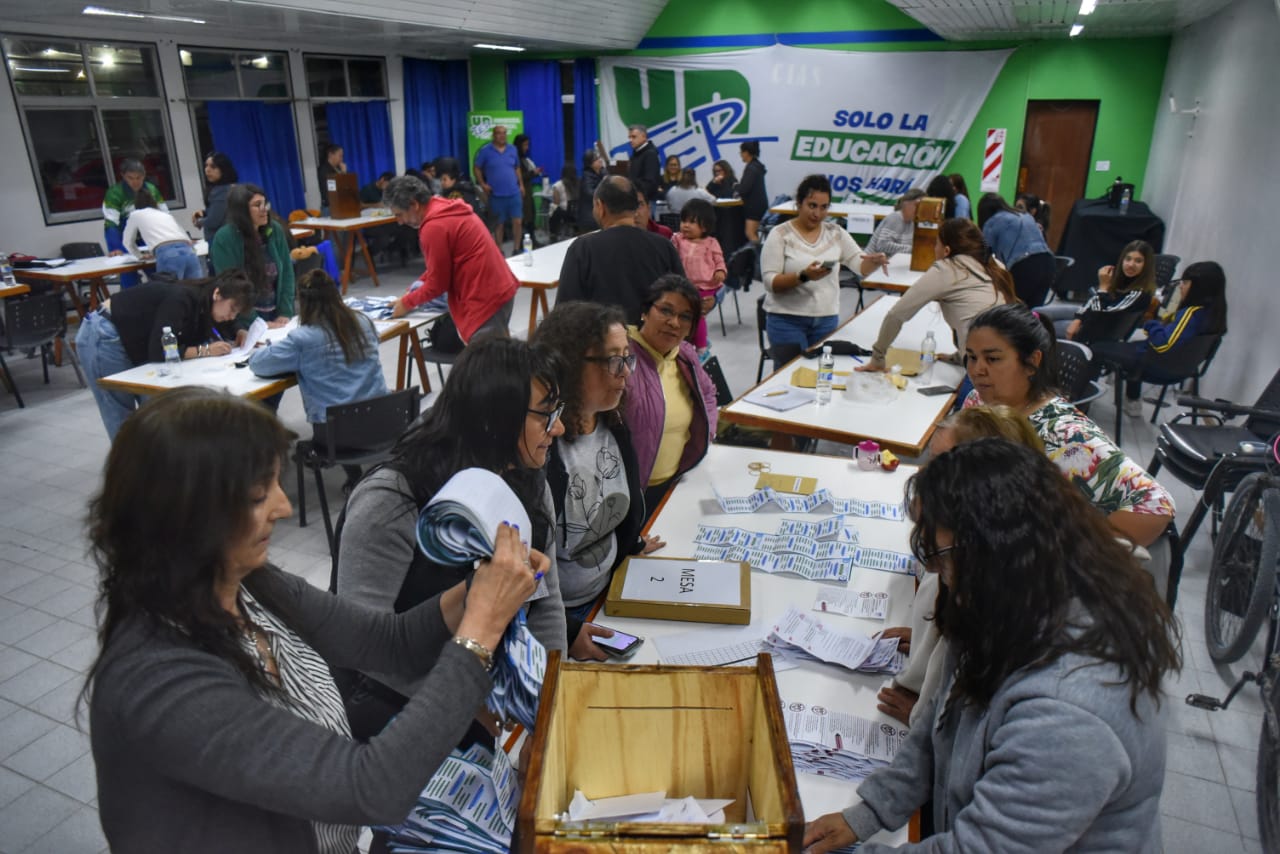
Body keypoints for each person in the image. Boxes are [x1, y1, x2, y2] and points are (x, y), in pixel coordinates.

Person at [86, 386, 543, 853]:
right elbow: (372, 788)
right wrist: (480, 631)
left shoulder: (246, 584)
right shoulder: (158, 679)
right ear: (189, 516)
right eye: (259, 494)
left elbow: (389, 641)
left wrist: (476, 591)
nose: (283, 507)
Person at [803, 438, 1180, 853]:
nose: (938, 574)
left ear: (993, 552)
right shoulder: (1008, 599)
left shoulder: (1067, 715)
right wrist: (868, 814)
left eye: (941, 557)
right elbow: (940, 720)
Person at [336, 337, 567, 738]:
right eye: (545, 415)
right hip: (396, 711)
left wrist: (548, 703)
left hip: (483, 701)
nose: (558, 428)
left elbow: (545, 604)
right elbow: (365, 646)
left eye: (557, 412)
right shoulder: (393, 499)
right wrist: (467, 706)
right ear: (494, 419)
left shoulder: (528, 480)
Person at [877, 404, 1045, 728]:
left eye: (942, 464)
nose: (925, 475)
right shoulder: (970, 550)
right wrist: (926, 639)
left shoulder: (1000, 601)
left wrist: (924, 720)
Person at [962, 303, 1176, 552]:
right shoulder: (977, 401)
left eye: (993, 359)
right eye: (972, 357)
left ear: (1031, 362)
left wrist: (1069, 553)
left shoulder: (1063, 433)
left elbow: (1156, 503)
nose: (977, 370)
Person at [532, 302, 665, 661]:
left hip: (608, 594)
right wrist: (567, 630)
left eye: (627, 358)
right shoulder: (540, 447)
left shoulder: (613, 423)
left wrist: (631, 544)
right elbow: (523, 573)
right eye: (612, 361)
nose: (626, 372)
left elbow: (617, 505)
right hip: (557, 619)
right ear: (570, 365)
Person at [75, 272, 252, 440]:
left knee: (154, 411)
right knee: (121, 415)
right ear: (217, 294)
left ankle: (154, 458)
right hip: (105, 335)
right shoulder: (182, 298)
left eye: (236, 314)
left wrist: (239, 331)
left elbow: (224, 320)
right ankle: (128, 460)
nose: (231, 317)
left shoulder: (206, 300)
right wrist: (205, 350)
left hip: (135, 338)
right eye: (232, 310)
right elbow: (160, 351)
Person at [856, 218, 1016, 373]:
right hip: (1014, 358)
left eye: (936, 244)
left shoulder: (947, 268)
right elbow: (972, 315)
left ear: (946, 251)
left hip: (987, 369)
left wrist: (877, 358)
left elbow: (896, 315)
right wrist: (960, 356)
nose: (934, 249)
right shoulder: (995, 265)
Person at [760, 174, 888, 352]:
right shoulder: (780, 234)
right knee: (792, 369)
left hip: (826, 320)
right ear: (799, 203)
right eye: (812, 206)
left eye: (824, 207)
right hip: (786, 321)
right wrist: (803, 276)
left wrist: (874, 262)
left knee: (822, 369)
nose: (817, 214)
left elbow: (860, 266)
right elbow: (770, 282)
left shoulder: (836, 233)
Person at [248, 268, 387, 430]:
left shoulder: (302, 339)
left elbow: (258, 364)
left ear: (303, 303)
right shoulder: (363, 321)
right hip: (381, 420)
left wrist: (270, 347)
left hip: (337, 433)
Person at [625, 276, 719, 511]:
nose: (674, 323)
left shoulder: (685, 355)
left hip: (677, 482)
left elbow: (708, 394)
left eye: (685, 317)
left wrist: (707, 433)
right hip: (631, 493)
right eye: (666, 311)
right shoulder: (621, 356)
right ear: (645, 312)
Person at [384, 176, 517, 341]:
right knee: (497, 352)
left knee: (486, 356)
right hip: (499, 289)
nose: (399, 222)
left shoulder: (433, 227)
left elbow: (437, 284)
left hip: (485, 299)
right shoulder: (443, 208)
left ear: (414, 205)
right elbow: (439, 266)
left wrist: (407, 303)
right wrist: (412, 291)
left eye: (399, 215)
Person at [1091, 260, 1228, 417]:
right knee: (1135, 346)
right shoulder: (1215, 315)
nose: (1181, 287)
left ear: (1199, 288)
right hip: (1182, 368)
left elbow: (1163, 344)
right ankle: (1132, 401)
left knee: (1095, 348)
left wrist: (1151, 324)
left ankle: (1082, 399)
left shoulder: (1191, 313)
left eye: (1185, 283)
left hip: (1159, 367)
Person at [558, 175, 685, 322]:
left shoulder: (582, 249)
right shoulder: (664, 246)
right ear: (635, 208)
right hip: (652, 335)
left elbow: (565, 312)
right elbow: (684, 298)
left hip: (601, 334)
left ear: (600, 207)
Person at [211, 183, 295, 327]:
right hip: (244, 319)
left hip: (277, 314)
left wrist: (285, 312)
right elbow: (231, 287)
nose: (264, 209)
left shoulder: (275, 230)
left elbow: (287, 272)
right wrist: (258, 323)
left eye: (265, 204)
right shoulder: (225, 238)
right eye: (257, 205)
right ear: (241, 210)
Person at [1064, 239, 1156, 343]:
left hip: (1096, 337)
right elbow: (1091, 301)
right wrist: (1078, 319)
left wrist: (1103, 289)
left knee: (1050, 326)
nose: (1131, 264)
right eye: (1128, 259)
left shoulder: (1140, 294)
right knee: (1051, 313)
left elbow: (1101, 316)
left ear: (1146, 265)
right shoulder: (1116, 280)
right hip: (1089, 322)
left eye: (1138, 261)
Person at [977, 192, 1056, 307]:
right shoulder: (1025, 215)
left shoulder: (992, 222)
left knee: (1012, 309)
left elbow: (983, 254)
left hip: (1025, 266)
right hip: (1048, 263)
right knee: (1034, 312)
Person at [671, 198, 726, 358]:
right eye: (683, 221)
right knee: (685, 316)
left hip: (706, 286)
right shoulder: (678, 240)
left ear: (705, 227)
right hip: (684, 286)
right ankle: (687, 344)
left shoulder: (711, 243)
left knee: (698, 315)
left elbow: (719, 260)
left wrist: (720, 271)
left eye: (692, 222)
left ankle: (701, 347)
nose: (686, 225)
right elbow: (670, 253)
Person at [103, 158, 167, 289]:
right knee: (129, 274)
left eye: (138, 178)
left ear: (144, 176)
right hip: (123, 237)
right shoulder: (114, 193)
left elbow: (165, 216)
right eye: (130, 178)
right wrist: (115, 248)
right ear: (123, 176)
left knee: (158, 273)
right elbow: (111, 224)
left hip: (146, 235)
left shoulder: (152, 190)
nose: (135, 182)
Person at [122, 190, 202, 281]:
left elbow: (127, 242)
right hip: (188, 251)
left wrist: (140, 255)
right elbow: (186, 238)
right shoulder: (165, 215)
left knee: (168, 289)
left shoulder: (135, 214)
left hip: (167, 252)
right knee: (196, 287)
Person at [473, 124, 524, 252]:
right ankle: (499, 250)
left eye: (504, 133)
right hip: (496, 195)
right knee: (498, 224)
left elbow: (517, 167)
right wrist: (482, 184)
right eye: (499, 133)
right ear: (493, 135)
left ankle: (516, 249)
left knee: (518, 222)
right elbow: (477, 168)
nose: (502, 136)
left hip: (514, 192)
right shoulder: (485, 151)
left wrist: (521, 184)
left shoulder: (512, 149)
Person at [192, 152, 237, 247]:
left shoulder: (222, 191)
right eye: (206, 166)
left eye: (213, 166)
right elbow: (220, 211)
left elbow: (213, 221)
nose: (207, 170)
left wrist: (198, 221)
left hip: (220, 241)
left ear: (223, 169)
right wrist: (204, 213)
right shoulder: (227, 188)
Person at [865, 188, 926, 257]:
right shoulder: (895, 217)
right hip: (872, 261)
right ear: (906, 204)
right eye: (917, 205)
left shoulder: (913, 222)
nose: (921, 209)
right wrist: (913, 249)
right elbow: (882, 245)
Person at [736, 141, 768, 243]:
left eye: (741, 152)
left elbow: (744, 189)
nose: (740, 155)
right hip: (759, 205)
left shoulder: (751, 168)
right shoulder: (758, 166)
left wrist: (736, 186)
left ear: (746, 152)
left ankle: (758, 253)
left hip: (753, 206)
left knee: (750, 233)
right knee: (754, 233)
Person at [514, 133, 544, 244]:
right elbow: (518, 177)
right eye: (525, 145)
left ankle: (532, 239)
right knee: (525, 217)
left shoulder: (524, 158)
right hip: (521, 193)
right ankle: (525, 241)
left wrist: (534, 173)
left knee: (531, 214)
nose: (527, 148)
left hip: (528, 191)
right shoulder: (515, 159)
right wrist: (532, 173)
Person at [625, 124, 660, 201]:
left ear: (644, 136)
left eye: (634, 137)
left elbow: (650, 183)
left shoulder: (650, 155)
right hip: (636, 199)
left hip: (646, 201)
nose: (630, 140)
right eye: (629, 137)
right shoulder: (636, 154)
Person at [577, 148, 606, 233]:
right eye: (596, 159)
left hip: (599, 212)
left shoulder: (602, 172)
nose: (600, 160)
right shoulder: (587, 176)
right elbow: (591, 193)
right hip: (589, 216)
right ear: (590, 164)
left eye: (599, 157)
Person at [549, 164, 578, 240]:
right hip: (576, 212)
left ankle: (553, 233)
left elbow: (556, 202)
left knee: (553, 208)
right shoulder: (577, 183)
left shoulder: (558, 185)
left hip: (564, 212)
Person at [317, 143, 345, 211]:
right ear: (330, 155)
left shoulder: (338, 168)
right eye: (340, 156)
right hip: (330, 207)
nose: (341, 159)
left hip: (340, 204)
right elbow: (330, 190)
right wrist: (343, 174)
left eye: (342, 156)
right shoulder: (324, 170)